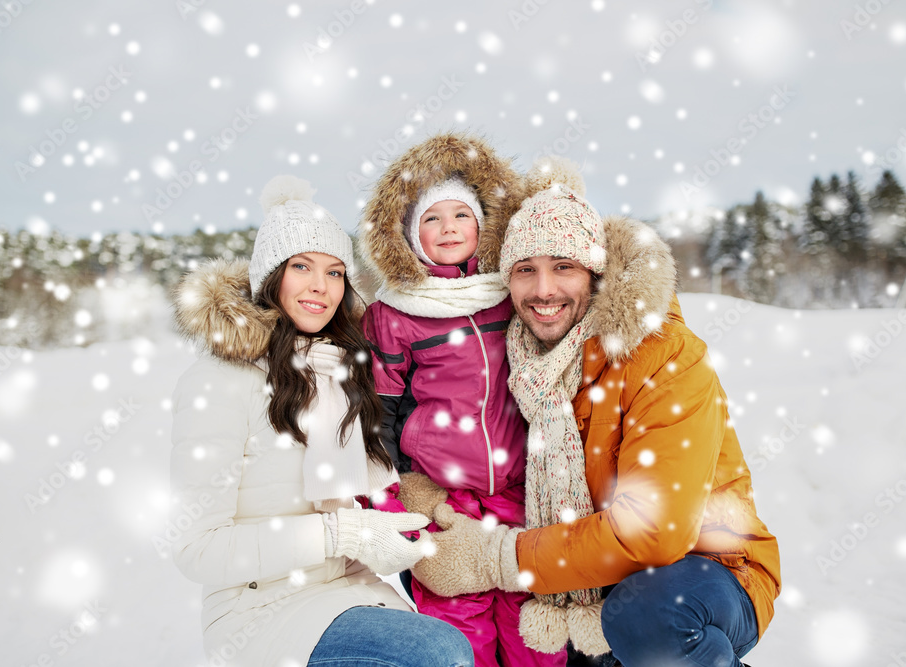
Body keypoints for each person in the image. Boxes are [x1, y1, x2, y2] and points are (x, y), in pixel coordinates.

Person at [402, 157, 782, 667]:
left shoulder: (661, 353)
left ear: (596, 272)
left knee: (648, 617)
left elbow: (655, 532)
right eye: (525, 271)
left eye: (564, 267)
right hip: (588, 583)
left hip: (704, 570)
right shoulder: (520, 361)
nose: (544, 291)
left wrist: (497, 558)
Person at [169, 174, 474, 667]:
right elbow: (196, 548)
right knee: (439, 654)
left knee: (451, 650)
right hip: (260, 606)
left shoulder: (341, 370)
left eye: (335, 273)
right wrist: (343, 534)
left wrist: (400, 531)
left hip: (352, 587)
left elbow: (376, 487)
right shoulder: (219, 380)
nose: (320, 286)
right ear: (270, 276)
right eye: (302, 267)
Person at [358, 133, 567, 667]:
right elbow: (375, 418)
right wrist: (395, 508)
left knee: (535, 637)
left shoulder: (513, 294)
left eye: (460, 214)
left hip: (525, 498)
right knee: (458, 639)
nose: (448, 227)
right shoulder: (395, 313)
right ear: (408, 234)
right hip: (447, 503)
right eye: (431, 218)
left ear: (484, 225)